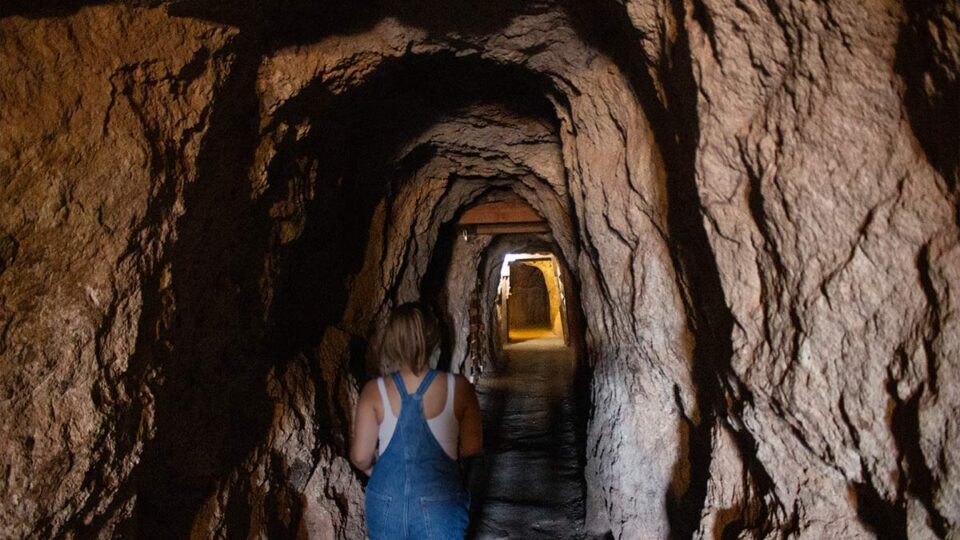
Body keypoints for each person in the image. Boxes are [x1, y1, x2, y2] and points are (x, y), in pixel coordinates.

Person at [351, 303, 483, 539]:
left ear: (391, 342)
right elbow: (473, 446)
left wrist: (380, 472)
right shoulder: (459, 388)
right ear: (434, 339)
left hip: (386, 502)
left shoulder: (374, 391)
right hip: (439, 502)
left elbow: (361, 457)